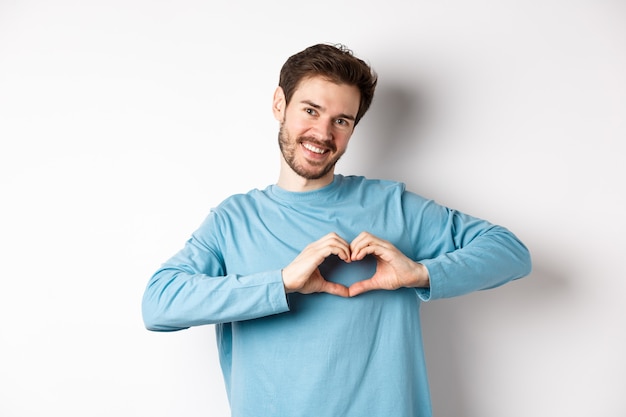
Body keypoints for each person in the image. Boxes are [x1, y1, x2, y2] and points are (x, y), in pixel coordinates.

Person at [142, 43, 532, 417]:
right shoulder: (234, 220)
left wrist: (419, 273)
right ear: (280, 104)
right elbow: (158, 304)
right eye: (311, 110)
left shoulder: (392, 206)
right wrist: (281, 283)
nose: (323, 134)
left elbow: (511, 252)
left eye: (341, 121)